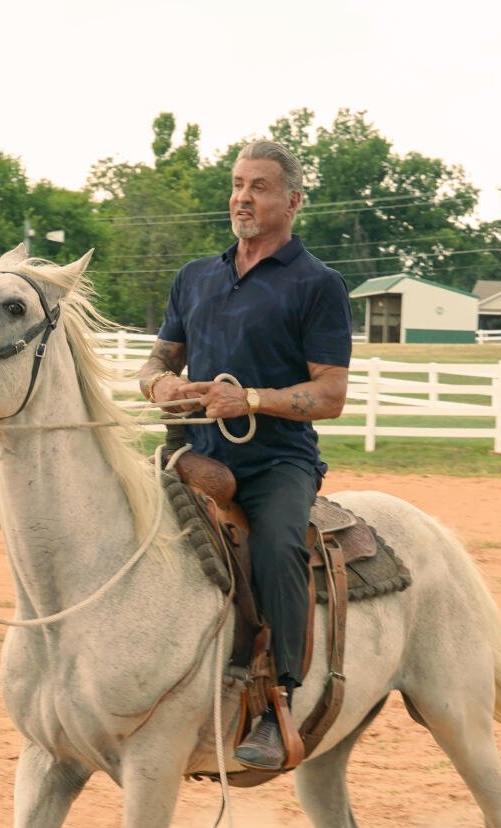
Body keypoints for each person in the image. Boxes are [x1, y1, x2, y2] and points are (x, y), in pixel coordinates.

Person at [138, 139, 352, 769]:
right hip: (195, 451)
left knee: (278, 544)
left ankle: (276, 698)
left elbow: (331, 394)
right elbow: (157, 360)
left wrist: (251, 399)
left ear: (293, 200)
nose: (242, 198)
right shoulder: (195, 277)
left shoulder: (317, 285)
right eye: (237, 184)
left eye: (259, 187)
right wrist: (161, 386)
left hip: (276, 463)